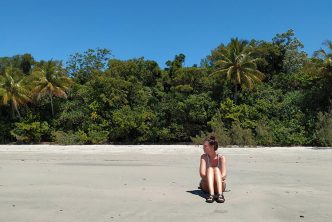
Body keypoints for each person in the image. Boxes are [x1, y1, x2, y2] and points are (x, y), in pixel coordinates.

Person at [198, 135, 227, 203]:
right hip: (207, 184)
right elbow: (202, 174)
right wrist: (211, 178)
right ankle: (211, 194)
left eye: (205, 146)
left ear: (212, 146)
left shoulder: (221, 157)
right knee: (210, 169)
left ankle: (220, 194)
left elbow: (224, 175)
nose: (203, 148)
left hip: (219, 185)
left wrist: (215, 179)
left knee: (216, 169)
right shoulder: (203, 157)